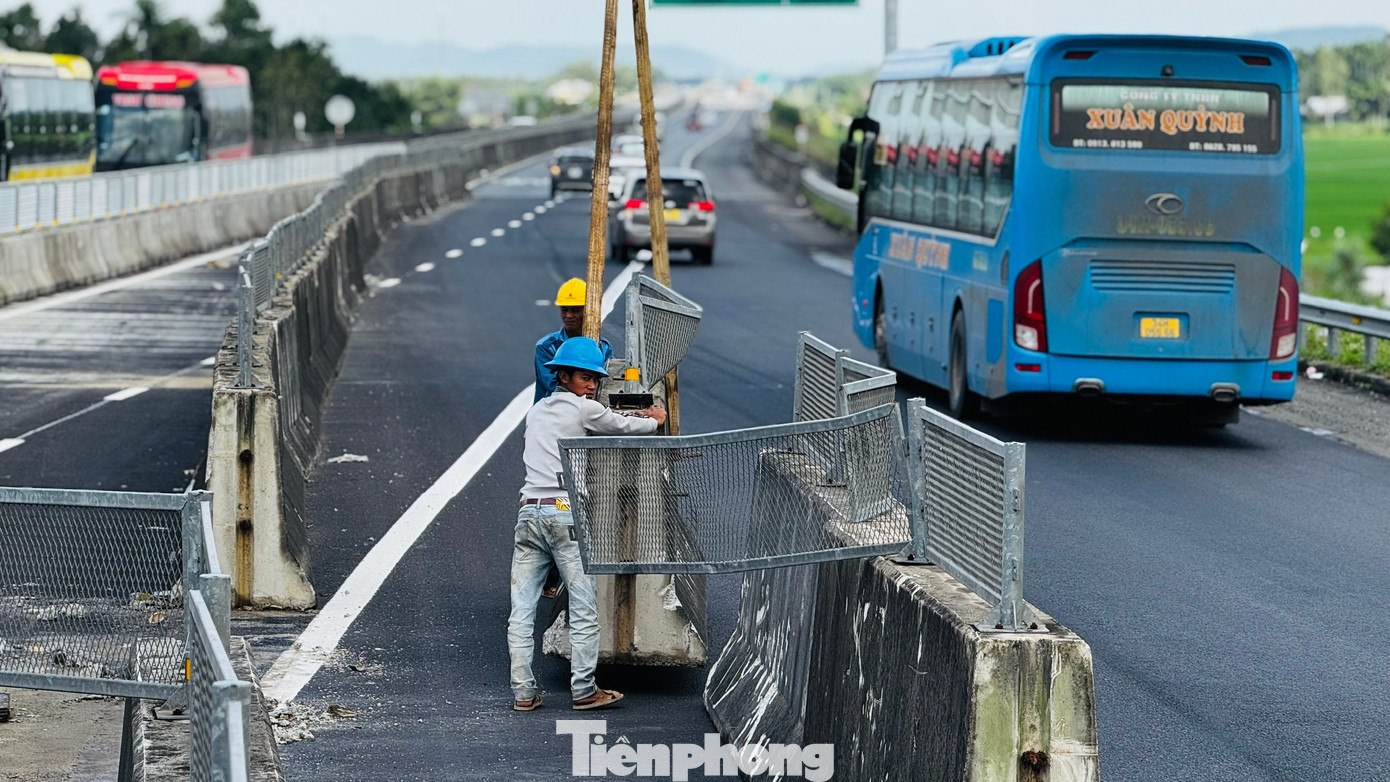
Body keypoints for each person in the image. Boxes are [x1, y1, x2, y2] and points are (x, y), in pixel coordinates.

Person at [509, 337, 667, 712]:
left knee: (522, 609)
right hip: (565, 513)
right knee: (584, 605)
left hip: (529, 512)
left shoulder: (536, 412)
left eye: (595, 378)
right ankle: (583, 690)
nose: (593, 384)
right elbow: (623, 426)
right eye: (585, 377)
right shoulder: (583, 409)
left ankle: (523, 693)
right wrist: (654, 419)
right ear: (563, 376)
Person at [535, 278, 614, 404]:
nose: (568, 315)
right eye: (564, 310)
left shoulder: (603, 347)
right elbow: (554, 387)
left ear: (588, 311)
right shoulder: (547, 347)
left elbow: (609, 383)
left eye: (575, 310)